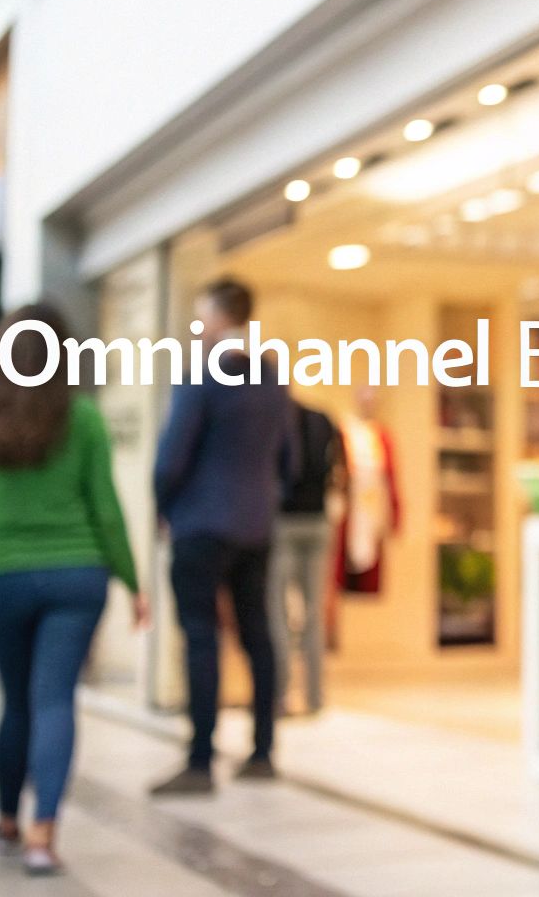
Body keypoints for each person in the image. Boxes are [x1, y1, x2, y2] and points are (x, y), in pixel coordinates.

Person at [0, 304, 148, 876]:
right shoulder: (82, 418)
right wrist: (133, 580)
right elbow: (106, 510)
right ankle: (42, 834)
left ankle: (6, 819)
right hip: (78, 575)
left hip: (3, 576)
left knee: (19, 701)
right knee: (55, 699)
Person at [150, 277, 294, 795]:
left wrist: (163, 507)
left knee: (201, 636)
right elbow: (289, 460)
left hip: (201, 525)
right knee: (258, 634)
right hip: (256, 526)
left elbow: (171, 458)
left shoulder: (202, 375)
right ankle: (262, 751)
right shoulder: (273, 379)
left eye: (201, 315)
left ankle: (199, 761)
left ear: (218, 316)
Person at [269, 398, 342, 715]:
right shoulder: (323, 419)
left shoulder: (276, 417)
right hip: (318, 520)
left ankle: (282, 694)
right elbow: (338, 470)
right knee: (313, 614)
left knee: (279, 611)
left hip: (284, 522)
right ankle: (314, 696)